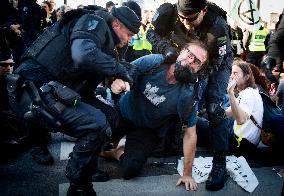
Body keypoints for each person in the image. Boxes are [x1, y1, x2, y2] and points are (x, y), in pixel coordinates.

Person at [8, 6, 140, 196]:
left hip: (58, 88)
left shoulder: (108, 42)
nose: (129, 40)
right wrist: (118, 69)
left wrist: (116, 78)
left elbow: (96, 72)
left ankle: (87, 166)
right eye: (128, 34)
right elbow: (83, 54)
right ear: (116, 24)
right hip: (33, 88)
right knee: (96, 124)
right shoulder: (94, 22)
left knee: (110, 115)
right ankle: (78, 185)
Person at [146, 0, 233, 191]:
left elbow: (214, 63)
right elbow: (150, 33)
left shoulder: (217, 27)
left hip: (215, 61)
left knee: (213, 106)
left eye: (191, 18)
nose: (186, 23)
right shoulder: (168, 11)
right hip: (183, 52)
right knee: (171, 91)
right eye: (182, 18)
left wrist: (194, 78)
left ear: (203, 11)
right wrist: (164, 48)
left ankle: (220, 164)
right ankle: (168, 140)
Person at [105, 40, 209, 191]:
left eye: (196, 61)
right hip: (123, 113)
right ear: (181, 51)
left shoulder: (188, 94)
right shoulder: (155, 62)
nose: (189, 61)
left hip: (147, 130)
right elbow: (125, 71)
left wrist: (187, 174)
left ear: (198, 69)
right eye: (189, 54)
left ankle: (118, 152)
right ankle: (115, 139)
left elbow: (190, 134)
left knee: (129, 171)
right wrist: (118, 81)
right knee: (95, 142)